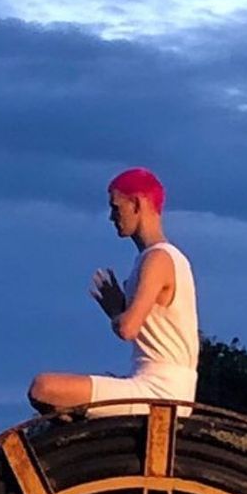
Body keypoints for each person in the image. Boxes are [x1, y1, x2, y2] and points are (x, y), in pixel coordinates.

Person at [27, 167, 199, 419]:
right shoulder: (159, 258)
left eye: (116, 207)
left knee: (43, 388)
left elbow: (128, 329)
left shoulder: (158, 258)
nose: (111, 217)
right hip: (164, 388)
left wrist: (116, 312)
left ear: (137, 204)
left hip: (159, 392)